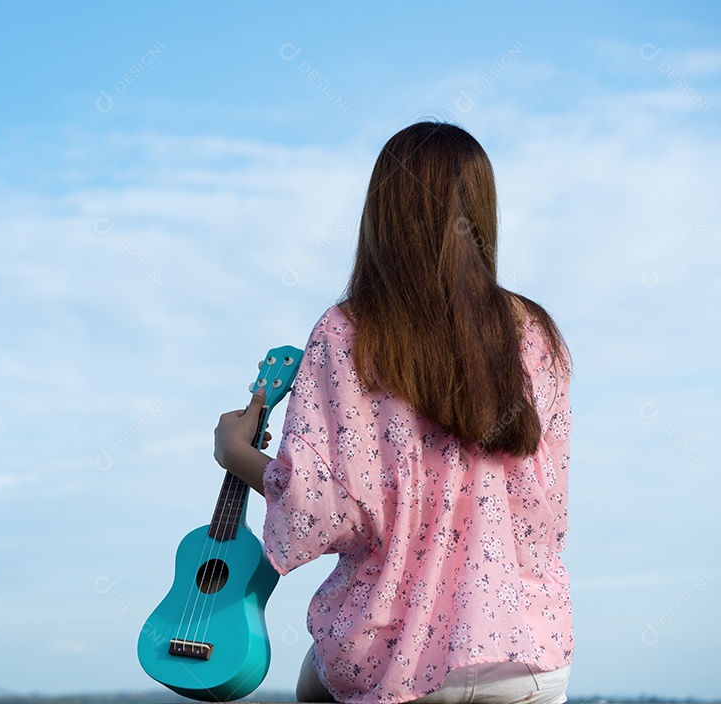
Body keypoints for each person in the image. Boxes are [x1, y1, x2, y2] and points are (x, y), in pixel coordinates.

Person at [214, 122, 573, 704]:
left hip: (391, 661)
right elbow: (547, 516)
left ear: (381, 213)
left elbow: (328, 510)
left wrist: (236, 455)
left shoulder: (346, 332)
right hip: (526, 653)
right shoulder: (536, 333)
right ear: (481, 210)